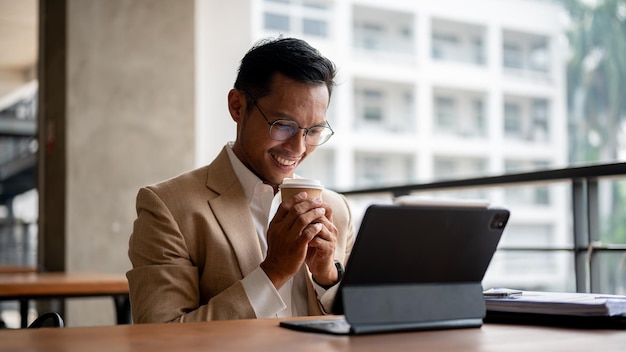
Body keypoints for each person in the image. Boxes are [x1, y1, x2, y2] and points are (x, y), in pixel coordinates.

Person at [126, 37, 355, 323]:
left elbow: (362, 325)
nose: (298, 148)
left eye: (313, 131)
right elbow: (161, 337)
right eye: (283, 126)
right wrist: (273, 273)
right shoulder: (168, 208)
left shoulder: (338, 210)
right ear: (237, 106)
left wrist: (327, 278)